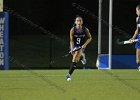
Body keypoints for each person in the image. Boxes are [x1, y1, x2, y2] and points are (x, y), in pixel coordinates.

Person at [66, 15, 92, 81]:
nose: (79, 22)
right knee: (76, 58)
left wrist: (85, 44)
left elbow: (90, 38)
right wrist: (72, 49)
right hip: (74, 46)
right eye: (77, 20)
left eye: (80, 20)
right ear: (75, 22)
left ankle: (69, 75)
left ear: (82, 22)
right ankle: (82, 57)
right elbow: (71, 40)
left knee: (74, 58)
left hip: (81, 46)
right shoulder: (72, 30)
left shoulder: (85, 29)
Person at [130, 4, 140, 71]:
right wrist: (133, 38)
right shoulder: (137, 19)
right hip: (139, 38)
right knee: (137, 60)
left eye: (137, 11)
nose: (136, 12)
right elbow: (137, 30)